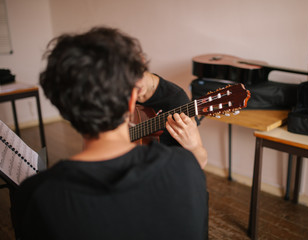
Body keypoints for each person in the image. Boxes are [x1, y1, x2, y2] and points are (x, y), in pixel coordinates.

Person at [14, 26, 208, 240]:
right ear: (133, 98)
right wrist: (195, 148)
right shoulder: (186, 167)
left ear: (62, 107)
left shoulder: (36, 196)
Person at [134, 71, 194, 146]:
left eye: (135, 74)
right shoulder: (118, 92)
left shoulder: (176, 98)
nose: (135, 84)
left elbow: (196, 154)